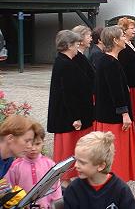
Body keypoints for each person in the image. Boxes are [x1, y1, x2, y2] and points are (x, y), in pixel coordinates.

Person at [94, 26, 135, 182]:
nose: (125, 39)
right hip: (113, 117)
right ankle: (114, 184)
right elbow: (116, 92)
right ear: (115, 40)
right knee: (116, 152)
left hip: (106, 114)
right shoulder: (110, 63)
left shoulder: (105, 60)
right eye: (122, 36)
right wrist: (125, 114)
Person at [47, 30, 94, 185]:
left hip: (71, 114)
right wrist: (76, 117)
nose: (77, 47)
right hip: (67, 117)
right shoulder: (65, 64)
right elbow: (68, 93)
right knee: (67, 149)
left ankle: (70, 180)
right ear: (67, 45)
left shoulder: (67, 61)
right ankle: (65, 182)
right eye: (75, 44)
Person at [63, 131, 135, 209]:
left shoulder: (120, 190)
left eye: (82, 162)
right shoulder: (74, 189)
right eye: (76, 160)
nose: (76, 165)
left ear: (101, 166)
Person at [5, 122, 62, 209]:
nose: (33, 148)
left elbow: (56, 188)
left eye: (37, 144)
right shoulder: (15, 166)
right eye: (30, 144)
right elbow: (9, 189)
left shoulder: (49, 164)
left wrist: (56, 204)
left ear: (43, 142)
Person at [118, 17, 135, 127]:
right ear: (124, 30)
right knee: (131, 110)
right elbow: (122, 67)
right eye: (132, 28)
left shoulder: (130, 43)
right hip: (129, 84)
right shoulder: (122, 46)